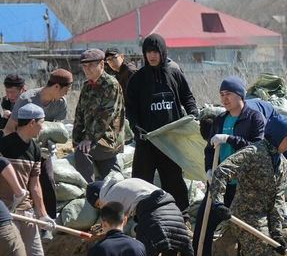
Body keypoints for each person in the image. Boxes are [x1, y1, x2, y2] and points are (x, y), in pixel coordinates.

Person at [203, 114, 287, 256]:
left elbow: (277, 200)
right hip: (244, 216)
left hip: (263, 218)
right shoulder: (253, 153)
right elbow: (222, 171)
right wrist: (218, 202)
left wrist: (277, 232)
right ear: (277, 136)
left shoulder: (282, 164)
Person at [126, 34, 198, 210]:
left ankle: (182, 215)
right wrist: (137, 129)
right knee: (141, 182)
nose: (152, 56)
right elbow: (130, 110)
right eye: (148, 52)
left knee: (173, 180)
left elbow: (187, 97)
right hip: (147, 140)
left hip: (170, 139)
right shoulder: (137, 79)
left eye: (156, 51)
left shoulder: (174, 73)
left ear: (163, 52)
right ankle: (141, 218)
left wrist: (193, 113)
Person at [86, 176, 195, 256]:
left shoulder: (108, 197)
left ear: (99, 195)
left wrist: (102, 236)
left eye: (98, 204)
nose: (101, 207)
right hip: (172, 209)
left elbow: (115, 229)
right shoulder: (127, 184)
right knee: (169, 252)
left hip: (153, 215)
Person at [4, 69, 73, 220]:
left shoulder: (60, 103)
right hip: (20, 150)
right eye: (66, 90)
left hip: (43, 151)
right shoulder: (27, 99)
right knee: (19, 185)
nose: (66, 94)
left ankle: (48, 222)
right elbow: (9, 128)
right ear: (56, 87)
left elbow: (58, 129)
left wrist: (50, 143)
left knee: (47, 181)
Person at [203, 76, 266, 206]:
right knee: (204, 222)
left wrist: (229, 139)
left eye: (229, 94)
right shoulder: (219, 120)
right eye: (222, 95)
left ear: (240, 95)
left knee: (238, 223)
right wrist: (209, 169)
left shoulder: (254, 118)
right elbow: (209, 149)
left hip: (244, 183)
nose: (224, 98)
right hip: (220, 182)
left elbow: (258, 148)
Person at [0, 104, 50, 256]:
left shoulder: (35, 149)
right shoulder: (4, 145)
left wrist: (42, 214)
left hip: (26, 212)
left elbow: (35, 185)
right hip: (7, 212)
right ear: (32, 122)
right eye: (42, 122)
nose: (43, 127)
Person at [71, 49, 126, 183]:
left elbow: (106, 116)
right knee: (80, 151)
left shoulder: (110, 84)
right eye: (84, 66)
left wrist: (89, 139)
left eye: (90, 65)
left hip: (107, 137)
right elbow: (79, 114)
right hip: (92, 138)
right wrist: (77, 139)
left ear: (101, 64)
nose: (86, 69)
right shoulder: (87, 87)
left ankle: (90, 190)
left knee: (111, 180)